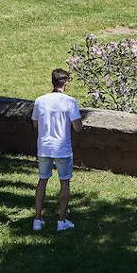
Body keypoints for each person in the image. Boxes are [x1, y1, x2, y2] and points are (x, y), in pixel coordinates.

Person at [32, 68, 82, 232]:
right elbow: (77, 127)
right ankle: (61, 221)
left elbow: (35, 123)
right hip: (63, 149)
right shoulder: (70, 101)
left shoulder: (40, 100)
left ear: (53, 82)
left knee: (42, 181)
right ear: (66, 83)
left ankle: (37, 220)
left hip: (44, 147)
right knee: (64, 182)